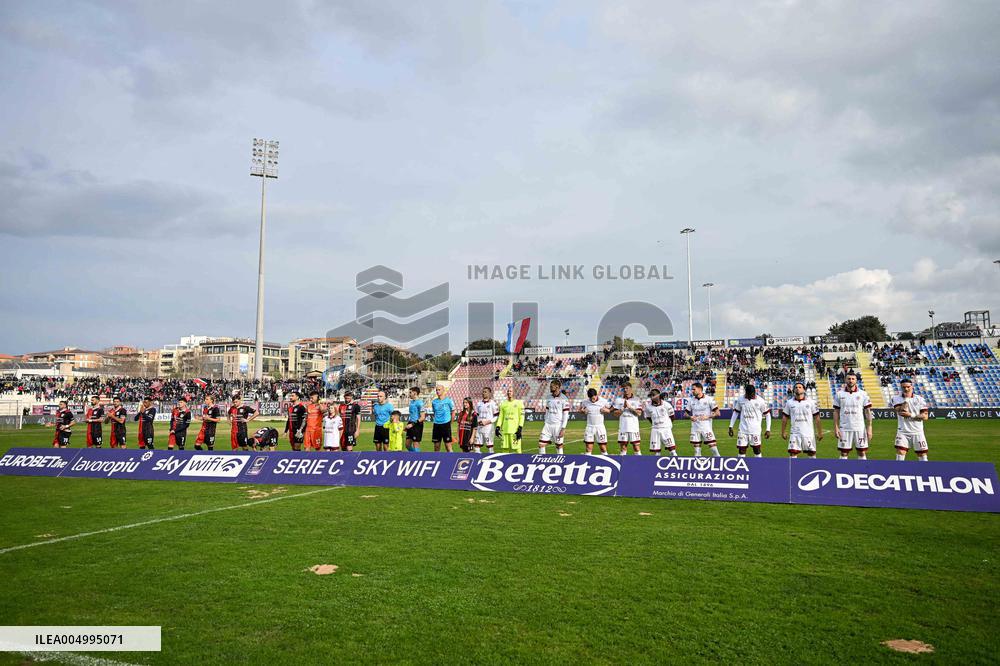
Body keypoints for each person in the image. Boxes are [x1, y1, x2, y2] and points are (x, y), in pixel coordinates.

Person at [833, 370, 873, 460]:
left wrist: (869, 427)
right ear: (845, 380)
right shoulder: (839, 394)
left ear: (856, 380)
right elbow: (836, 412)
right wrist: (836, 427)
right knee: (843, 453)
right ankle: (842, 472)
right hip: (844, 428)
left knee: (862, 452)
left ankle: (862, 471)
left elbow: (867, 411)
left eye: (853, 379)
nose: (851, 380)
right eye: (849, 379)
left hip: (860, 428)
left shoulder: (863, 394)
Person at [891, 377, 929, 461]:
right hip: (903, 431)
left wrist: (911, 415)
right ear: (901, 387)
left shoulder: (919, 399)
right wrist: (907, 399)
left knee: (922, 455)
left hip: (917, 431)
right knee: (900, 452)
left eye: (908, 387)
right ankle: (899, 472)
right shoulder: (896, 398)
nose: (906, 389)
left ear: (912, 387)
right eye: (904, 387)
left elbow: (925, 416)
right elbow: (901, 411)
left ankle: (925, 472)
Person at [781, 382, 823, 458]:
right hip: (795, 433)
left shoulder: (811, 402)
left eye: (800, 387)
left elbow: (817, 418)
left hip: (808, 433)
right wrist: (783, 431)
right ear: (793, 390)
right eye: (796, 387)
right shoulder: (789, 403)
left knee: (811, 454)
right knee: (793, 454)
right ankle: (793, 470)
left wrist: (820, 432)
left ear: (804, 390)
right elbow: (784, 418)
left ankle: (813, 469)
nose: (798, 388)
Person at [728, 384, 770, 458]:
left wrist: (768, 429)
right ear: (746, 393)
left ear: (754, 393)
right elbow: (736, 412)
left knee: (756, 450)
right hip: (742, 430)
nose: (748, 396)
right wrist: (731, 426)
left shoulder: (761, 401)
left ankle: (758, 467)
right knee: (741, 450)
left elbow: (767, 415)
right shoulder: (741, 399)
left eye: (750, 395)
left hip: (755, 431)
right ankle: (741, 468)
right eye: (747, 394)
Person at [685, 382, 720, 457]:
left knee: (714, 449)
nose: (692, 391)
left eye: (694, 389)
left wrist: (707, 417)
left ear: (700, 389)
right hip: (695, 428)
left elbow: (717, 413)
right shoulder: (691, 401)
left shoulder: (709, 399)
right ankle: (698, 467)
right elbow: (685, 414)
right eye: (692, 389)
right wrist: (690, 417)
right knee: (697, 452)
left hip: (706, 428)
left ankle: (720, 465)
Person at [538, 380, 570, 455]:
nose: (550, 387)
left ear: (557, 387)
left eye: (551, 386)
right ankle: (543, 461)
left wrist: (563, 428)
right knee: (541, 444)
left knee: (559, 446)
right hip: (548, 425)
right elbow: (547, 411)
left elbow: (566, 415)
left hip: (558, 426)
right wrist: (545, 422)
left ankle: (560, 463)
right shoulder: (548, 397)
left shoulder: (564, 398)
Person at [612, 383, 643, 455]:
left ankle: (640, 464)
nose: (625, 390)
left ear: (631, 389)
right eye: (624, 389)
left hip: (634, 427)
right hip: (623, 427)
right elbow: (615, 414)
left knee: (636, 447)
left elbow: (639, 413)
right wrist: (623, 408)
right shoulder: (618, 400)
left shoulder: (636, 400)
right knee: (623, 447)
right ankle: (623, 464)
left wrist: (630, 408)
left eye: (627, 388)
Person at [644, 389, 676, 456]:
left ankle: (676, 464)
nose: (652, 397)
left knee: (672, 451)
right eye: (651, 395)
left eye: (653, 395)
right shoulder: (648, 407)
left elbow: (672, 416)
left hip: (666, 429)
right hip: (655, 429)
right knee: (656, 452)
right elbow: (649, 417)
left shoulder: (666, 404)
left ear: (658, 395)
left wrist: (668, 424)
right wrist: (655, 424)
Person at [580, 388, 611, 455]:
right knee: (588, 448)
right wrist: (583, 411)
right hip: (589, 427)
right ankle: (588, 463)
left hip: (600, 427)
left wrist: (606, 410)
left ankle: (606, 462)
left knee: (603, 448)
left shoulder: (603, 401)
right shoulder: (585, 402)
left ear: (596, 395)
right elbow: (580, 410)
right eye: (590, 399)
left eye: (593, 398)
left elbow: (610, 409)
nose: (592, 400)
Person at [496, 386, 524, 453]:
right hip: (505, 430)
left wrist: (520, 428)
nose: (509, 392)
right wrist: (497, 427)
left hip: (515, 431)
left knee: (517, 449)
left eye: (510, 391)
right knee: (505, 449)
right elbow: (500, 417)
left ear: (514, 393)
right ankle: (506, 463)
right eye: (508, 391)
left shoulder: (519, 403)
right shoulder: (503, 404)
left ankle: (520, 462)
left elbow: (522, 417)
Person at [429, 385, 456, 452]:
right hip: (436, 424)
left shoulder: (449, 401)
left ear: (443, 390)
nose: (437, 391)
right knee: (436, 446)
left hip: (445, 424)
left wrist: (450, 423)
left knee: (448, 446)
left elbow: (453, 412)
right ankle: (437, 460)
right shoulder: (434, 402)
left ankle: (451, 460)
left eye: (439, 390)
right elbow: (435, 412)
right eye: (436, 390)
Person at [474, 387, 499, 454]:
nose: (483, 393)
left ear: (489, 393)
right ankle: (478, 461)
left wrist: (488, 421)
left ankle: (490, 460)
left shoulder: (493, 403)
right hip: (479, 427)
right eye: (483, 392)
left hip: (488, 428)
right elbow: (477, 415)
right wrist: (478, 421)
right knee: (476, 446)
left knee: (490, 447)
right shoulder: (479, 403)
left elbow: (496, 416)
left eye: (485, 392)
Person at [405, 386, 425, 452]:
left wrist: (412, 424)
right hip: (411, 423)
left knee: (415, 444)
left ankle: (417, 458)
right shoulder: (412, 402)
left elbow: (422, 417)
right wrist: (409, 424)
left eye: (410, 392)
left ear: (415, 393)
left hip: (417, 425)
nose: (409, 394)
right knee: (407, 445)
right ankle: (415, 457)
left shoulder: (420, 403)